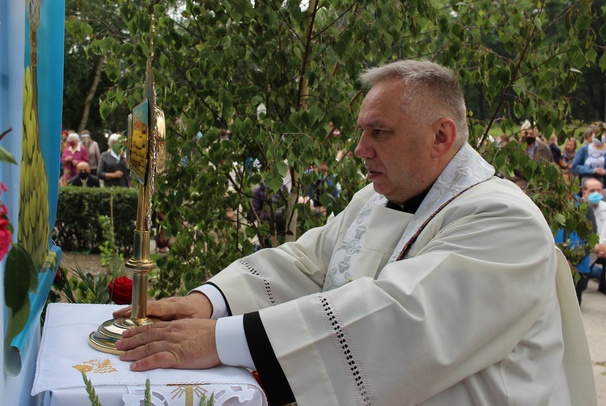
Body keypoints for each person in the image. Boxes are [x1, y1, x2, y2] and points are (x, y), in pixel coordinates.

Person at [112, 60, 596, 405]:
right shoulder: (377, 198)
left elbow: (402, 322)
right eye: (361, 130)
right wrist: (209, 302)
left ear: (441, 136)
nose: (360, 148)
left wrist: (218, 339)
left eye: (378, 132)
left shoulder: (505, 221)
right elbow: (307, 264)